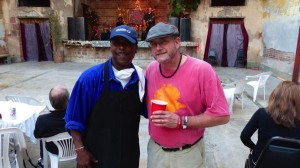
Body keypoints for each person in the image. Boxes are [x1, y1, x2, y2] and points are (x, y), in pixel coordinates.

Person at [145, 22, 230, 168]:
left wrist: (181, 121)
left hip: (187, 155)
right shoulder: (151, 69)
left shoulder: (202, 70)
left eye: (163, 42)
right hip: (155, 152)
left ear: (177, 42)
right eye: (153, 44)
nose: (158, 48)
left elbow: (222, 115)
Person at [65, 25, 147, 168]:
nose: (121, 48)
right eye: (117, 43)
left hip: (129, 156)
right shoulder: (90, 78)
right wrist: (80, 151)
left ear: (136, 48)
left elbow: (149, 111)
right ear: (110, 46)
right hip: (95, 157)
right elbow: (73, 119)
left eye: (127, 43)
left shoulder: (140, 80)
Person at [240, 81, 300, 166]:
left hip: (260, 161)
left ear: (275, 96)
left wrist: (254, 147)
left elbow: (244, 136)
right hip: (290, 163)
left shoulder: (262, 113)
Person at [34, 85, 70, 168]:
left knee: (43, 137)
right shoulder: (77, 117)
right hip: (75, 147)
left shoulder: (42, 120)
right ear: (68, 101)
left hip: (54, 149)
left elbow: (37, 135)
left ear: (50, 102)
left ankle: (43, 161)